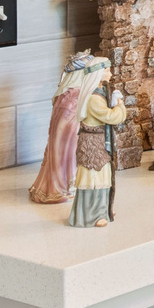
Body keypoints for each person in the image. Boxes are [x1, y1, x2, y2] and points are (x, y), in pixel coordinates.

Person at [30, 52, 109, 204]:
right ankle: (65, 187)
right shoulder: (75, 95)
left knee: (65, 155)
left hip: (67, 135)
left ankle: (64, 185)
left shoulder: (66, 93)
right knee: (68, 156)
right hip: (70, 136)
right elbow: (72, 121)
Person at [68, 66, 127, 228]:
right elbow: (113, 117)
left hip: (99, 141)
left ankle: (103, 210)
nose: (111, 74)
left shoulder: (101, 91)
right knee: (92, 177)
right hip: (92, 143)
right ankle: (91, 215)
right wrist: (120, 105)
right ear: (97, 73)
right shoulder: (94, 98)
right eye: (107, 70)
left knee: (103, 176)